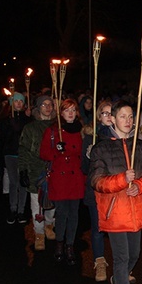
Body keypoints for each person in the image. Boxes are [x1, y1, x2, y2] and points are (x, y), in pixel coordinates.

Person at [89, 100, 142, 284]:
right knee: (121, 258)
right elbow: (97, 181)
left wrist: (139, 186)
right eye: (123, 117)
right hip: (115, 212)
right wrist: (121, 180)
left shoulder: (141, 146)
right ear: (112, 119)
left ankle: (118, 282)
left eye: (131, 117)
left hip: (136, 211)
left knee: (134, 254)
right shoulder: (101, 148)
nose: (128, 121)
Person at [40, 98, 85, 265]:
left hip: (76, 178)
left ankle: (70, 245)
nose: (71, 113)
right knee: (62, 213)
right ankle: (59, 243)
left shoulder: (82, 130)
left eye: (73, 110)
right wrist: (56, 150)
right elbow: (43, 153)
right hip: (60, 178)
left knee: (74, 214)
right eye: (67, 110)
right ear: (61, 113)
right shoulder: (53, 131)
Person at [18, 95, 57, 250]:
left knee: (52, 203)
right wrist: (23, 170)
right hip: (36, 171)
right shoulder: (30, 128)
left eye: (50, 105)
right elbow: (24, 150)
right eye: (44, 105)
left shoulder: (57, 126)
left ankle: (49, 226)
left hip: (53, 171)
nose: (47, 107)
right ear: (38, 108)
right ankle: (39, 233)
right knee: (37, 206)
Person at [81, 101, 113, 281]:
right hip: (96, 190)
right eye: (104, 113)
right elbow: (84, 169)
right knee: (98, 227)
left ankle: (122, 267)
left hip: (115, 191)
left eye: (110, 113)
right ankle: (99, 263)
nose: (108, 116)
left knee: (117, 230)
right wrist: (88, 156)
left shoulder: (120, 136)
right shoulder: (91, 137)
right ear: (98, 116)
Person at [0, 92, 32, 224]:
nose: (18, 103)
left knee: (23, 182)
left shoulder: (27, 119)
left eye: (21, 101)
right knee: (13, 182)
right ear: (11, 103)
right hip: (10, 153)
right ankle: (13, 208)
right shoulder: (5, 119)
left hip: (23, 154)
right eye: (16, 101)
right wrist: (9, 125)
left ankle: (21, 210)